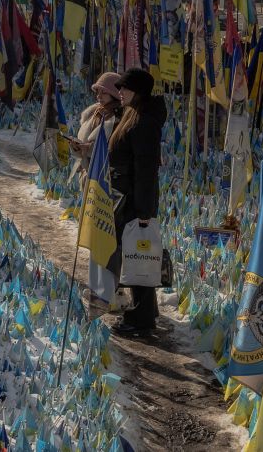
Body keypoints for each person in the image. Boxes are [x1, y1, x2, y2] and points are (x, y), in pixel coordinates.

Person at [109, 67, 167, 336]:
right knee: (136, 255)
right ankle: (144, 311)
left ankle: (141, 319)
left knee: (139, 256)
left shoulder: (144, 123)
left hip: (135, 201)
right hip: (128, 197)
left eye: (124, 88)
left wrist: (144, 212)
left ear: (138, 92)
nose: (119, 92)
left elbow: (145, 169)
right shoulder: (134, 116)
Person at [70, 71, 122, 315]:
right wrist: (78, 149)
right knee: (94, 237)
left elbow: (110, 150)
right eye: (97, 92)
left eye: (102, 91)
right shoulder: (93, 115)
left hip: (105, 186)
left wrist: (88, 148)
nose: (98, 95)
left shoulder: (117, 119)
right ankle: (98, 288)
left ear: (113, 93)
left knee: (105, 237)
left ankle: (107, 291)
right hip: (89, 181)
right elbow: (86, 144)